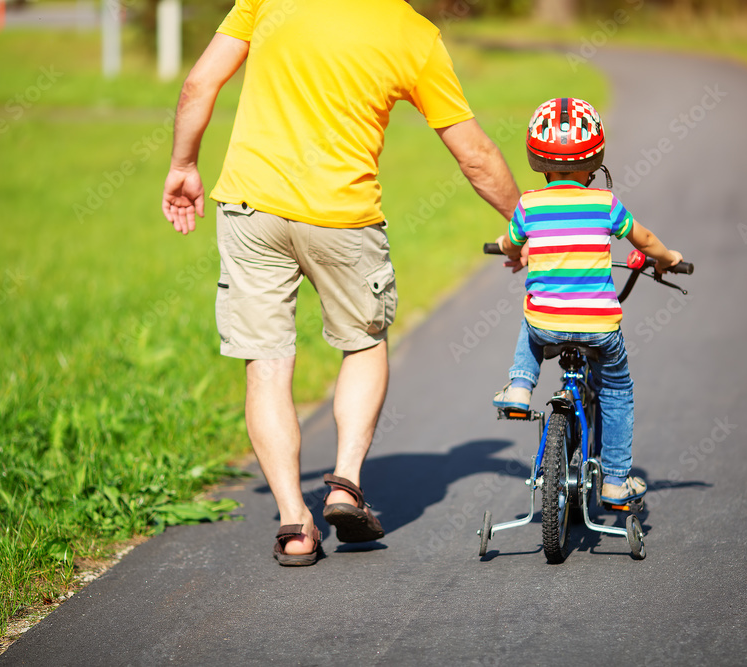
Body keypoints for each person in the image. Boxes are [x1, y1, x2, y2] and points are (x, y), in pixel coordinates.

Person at [162, 0, 520, 566]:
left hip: (251, 209)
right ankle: (344, 484)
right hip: (343, 220)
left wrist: (184, 164)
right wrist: (526, 224)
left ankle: (293, 524)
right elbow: (473, 154)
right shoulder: (414, 34)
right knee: (363, 341)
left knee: (267, 361)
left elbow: (197, 84)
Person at [493, 97, 682, 506]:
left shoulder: (528, 205)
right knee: (617, 389)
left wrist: (510, 251)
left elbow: (512, 242)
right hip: (599, 327)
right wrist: (667, 259)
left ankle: (520, 388)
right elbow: (644, 240)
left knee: (531, 322)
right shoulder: (605, 204)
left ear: (536, 160)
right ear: (595, 160)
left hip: (547, 325)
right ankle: (615, 481)